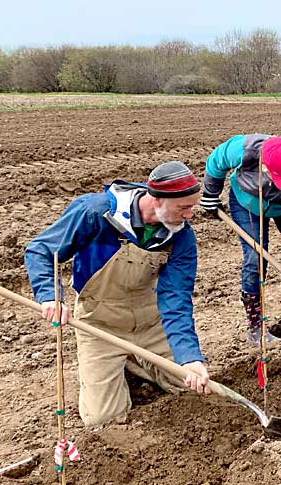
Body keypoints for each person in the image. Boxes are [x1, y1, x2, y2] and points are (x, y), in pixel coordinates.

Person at [25, 161, 211, 426]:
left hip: (150, 321)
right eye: (184, 207)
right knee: (103, 420)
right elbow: (41, 250)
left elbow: (176, 297)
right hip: (101, 323)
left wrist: (190, 357)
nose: (190, 215)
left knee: (192, 387)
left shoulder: (181, 238)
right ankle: (122, 361)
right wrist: (49, 295)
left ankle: (137, 359)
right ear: (157, 199)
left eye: (192, 207)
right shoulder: (95, 212)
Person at [198, 135, 281, 346]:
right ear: (264, 167)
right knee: (255, 259)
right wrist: (210, 193)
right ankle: (256, 327)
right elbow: (216, 161)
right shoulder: (243, 150)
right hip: (247, 203)